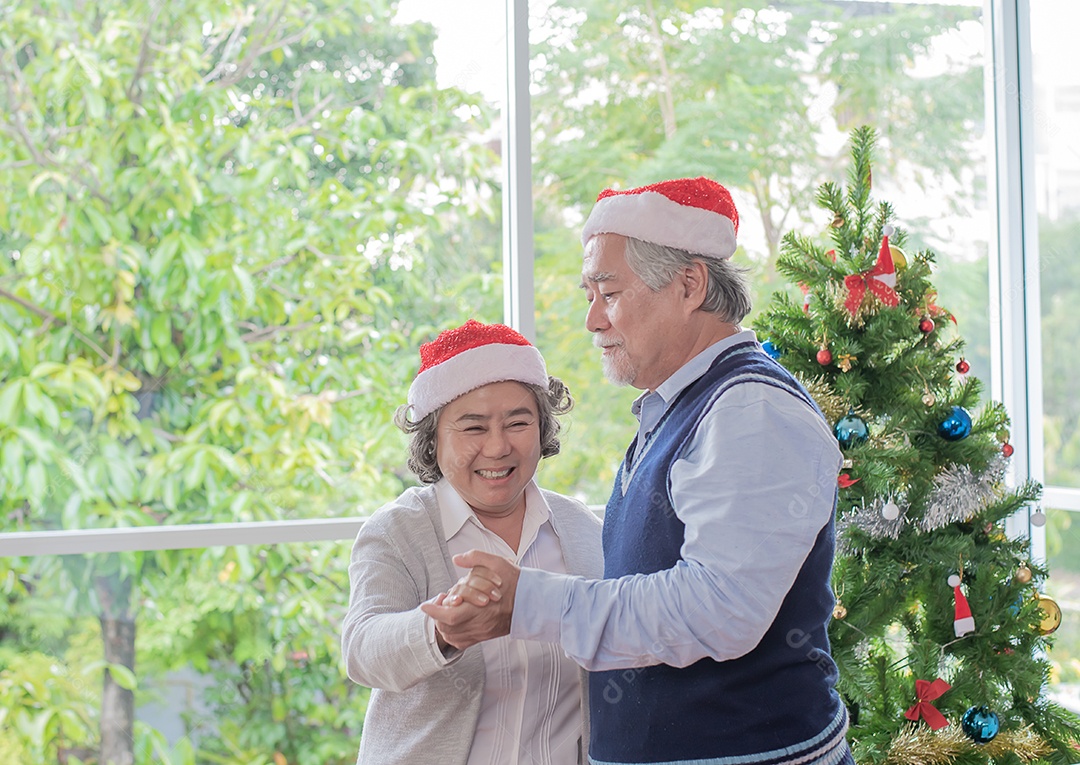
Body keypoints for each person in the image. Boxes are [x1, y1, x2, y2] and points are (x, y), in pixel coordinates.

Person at [422, 178, 852, 765]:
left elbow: (718, 609)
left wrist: (529, 601)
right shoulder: (682, 407)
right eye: (589, 294)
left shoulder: (751, 412)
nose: (592, 319)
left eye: (610, 292)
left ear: (689, 284)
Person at [341, 319, 603, 765]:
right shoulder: (397, 531)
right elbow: (363, 650)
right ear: (433, 440)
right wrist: (440, 632)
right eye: (473, 428)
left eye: (518, 422)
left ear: (542, 430)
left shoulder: (581, 529)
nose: (498, 447)